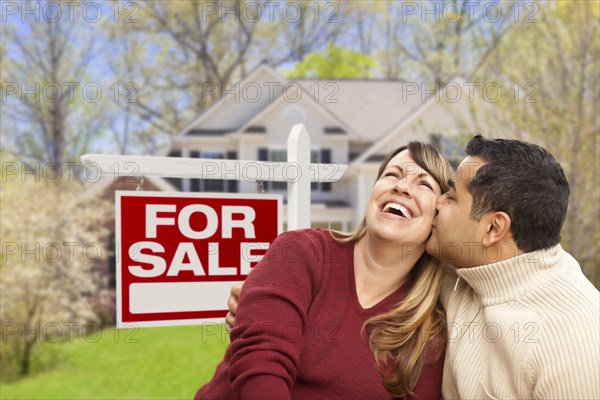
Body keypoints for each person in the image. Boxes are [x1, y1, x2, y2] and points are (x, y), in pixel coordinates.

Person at [226, 135, 600, 399]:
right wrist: (264, 305)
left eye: (447, 196)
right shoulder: (462, 275)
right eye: (391, 175)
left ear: (492, 229)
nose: (434, 203)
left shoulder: (576, 342)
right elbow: (262, 347)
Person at [195, 142, 454, 399]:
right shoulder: (301, 251)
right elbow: (261, 364)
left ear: (438, 218)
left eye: (423, 184)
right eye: (392, 175)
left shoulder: (428, 333)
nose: (401, 186)